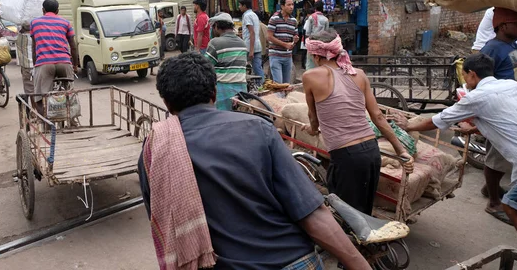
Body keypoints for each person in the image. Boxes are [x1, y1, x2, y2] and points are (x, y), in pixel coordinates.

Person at [138, 52, 371, 269]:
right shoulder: (257, 128)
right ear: (214, 94)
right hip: (292, 260)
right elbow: (312, 213)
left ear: (167, 103)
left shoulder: (155, 151)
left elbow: (163, 221)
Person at [392, 53, 517, 238]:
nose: (465, 80)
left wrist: (408, 125)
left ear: (472, 74)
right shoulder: (513, 85)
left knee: (512, 206)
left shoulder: (476, 97)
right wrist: (478, 127)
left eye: (464, 75)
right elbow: (509, 117)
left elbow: (437, 121)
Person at [302, 30, 414, 215]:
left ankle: (347, 244)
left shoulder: (310, 77)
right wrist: (401, 151)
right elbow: (378, 116)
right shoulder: (359, 74)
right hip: (371, 151)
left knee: (345, 214)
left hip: (346, 156)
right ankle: (362, 242)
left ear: (315, 55)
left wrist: (312, 130)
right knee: (363, 211)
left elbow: (313, 117)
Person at [476, 7, 517, 224]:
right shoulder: (492, 49)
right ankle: (494, 203)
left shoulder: (511, 45)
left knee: (500, 157)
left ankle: (490, 188)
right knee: (496, 158)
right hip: (500, 111)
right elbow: (479, 80)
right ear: (503, 26)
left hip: (513, 106)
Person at [30, 0, 78, 113]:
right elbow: (73, 46)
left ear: (43, 10)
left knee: (40, 97)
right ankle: (72, 121)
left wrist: (36, 65)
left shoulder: (34, 23)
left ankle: (46, 123)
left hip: (44, 63)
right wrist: (75, 66)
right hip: (64, 62)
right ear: (57, 10)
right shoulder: (66, 23)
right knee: (70, 94)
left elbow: (34, 47)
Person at [205, 12, 248, 111]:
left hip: (222, 91)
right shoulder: (242, 43)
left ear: (217, 26)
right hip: (242, 90)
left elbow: (206, 67)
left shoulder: (215, 43)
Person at [267, 0, 299, 84]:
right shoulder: (274, 19)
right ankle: (278, 98)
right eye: (289, 5)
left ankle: (283, 98)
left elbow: (294, 37)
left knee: (286, 84)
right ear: (282, 6)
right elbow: (269, 36)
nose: (291, 7)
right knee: (278, 83)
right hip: (275, 55)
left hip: (288, 56)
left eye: (292, 4)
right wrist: (285, 44)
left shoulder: (294, 21)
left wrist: (295, 40)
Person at [239, 0, 264, 86]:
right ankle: (260, 86)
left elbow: (252, 32)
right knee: (258, 68)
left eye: (240, 5)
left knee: (240, 67)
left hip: (249, 47)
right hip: (257, 45)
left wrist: (251, 50)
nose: (239, 7)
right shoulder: (254, 14)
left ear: (245, 6)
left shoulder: (247, 16)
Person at [304, 0, 330, 70]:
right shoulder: (326, 19)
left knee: (310, 63)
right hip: (321, 44)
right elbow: (327, 33)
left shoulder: (311, 17)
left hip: (312, 43)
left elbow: (307, 32)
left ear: (315, 8)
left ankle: (309, 78)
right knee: (320, 63)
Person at [15, 21, 34, 95]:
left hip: (27, 66)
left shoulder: (19, 38)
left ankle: (33, 106)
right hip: (38, 65)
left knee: (30, 90)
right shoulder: (35, 37)